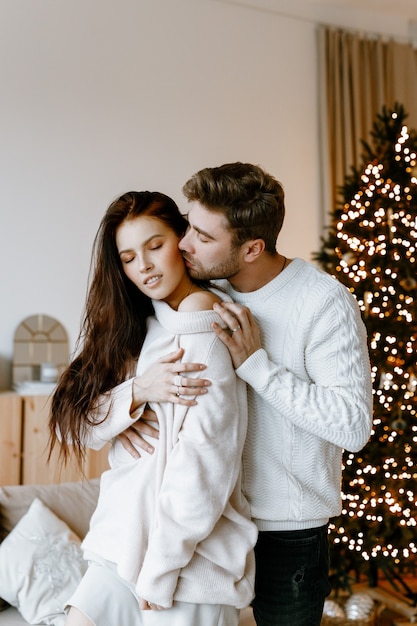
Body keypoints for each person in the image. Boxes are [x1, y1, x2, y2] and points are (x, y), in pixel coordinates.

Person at [122, 163, 374, 626]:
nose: (182, 244)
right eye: (188, 228)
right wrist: (133, 399)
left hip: (286, 536)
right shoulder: (199, 293)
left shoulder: (323, 303)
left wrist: (257, 366)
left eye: (202, 235)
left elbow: (352, 426)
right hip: (210, 528)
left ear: (253, 248)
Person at [48, 190, 257, 626]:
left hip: (184, 564)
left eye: (154, 246)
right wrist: (137, 393)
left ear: (181, 240)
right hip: (120, 544)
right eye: (127, 257)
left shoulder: (205, 330)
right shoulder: (139, 326)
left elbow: (205, 465)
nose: (142, 266)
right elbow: (76, 427)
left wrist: (161, 569)